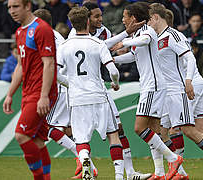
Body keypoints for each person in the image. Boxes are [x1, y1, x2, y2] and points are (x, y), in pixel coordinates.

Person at [68, 3, 151, 179]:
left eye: (101, 15)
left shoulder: (102, 31)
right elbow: (100, 46)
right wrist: (126, 34)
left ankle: (130, 173)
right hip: (89, 91)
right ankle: (103, 171)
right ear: (86, 18)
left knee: (117, 130)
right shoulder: (74, 35)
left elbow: (104, 45)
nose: (101, 19)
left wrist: (123, 39)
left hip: (94, 89)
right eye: (96, 16)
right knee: (103, 134)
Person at [147, 3, 203, 180]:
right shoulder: (156, 38)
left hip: (178, 91)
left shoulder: (173, 35)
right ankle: (172, 172)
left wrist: (188, 81)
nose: (147, 24)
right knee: (159, 131)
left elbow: (190, 58)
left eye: (148, 20)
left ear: (155, 18)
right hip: (164, 92)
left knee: (189, 130)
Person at [112, 2, 183, 179]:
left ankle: (173, 158)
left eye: (125, 16)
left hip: (153, 86)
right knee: (154, 131)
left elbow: (145, 40)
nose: (122, 19)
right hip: (150, 85)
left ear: (133, 18)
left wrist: (124, 42)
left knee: (139, 128)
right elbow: (135, 55)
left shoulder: (147, 30)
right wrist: (112, 60)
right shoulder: (138, 33)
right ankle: (162, 172)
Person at [58, 6, 124, 180]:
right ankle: (118, 176)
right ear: (87, 21)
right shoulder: (98, 43)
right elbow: (114, 71)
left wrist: (70, 84)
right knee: (113, 135)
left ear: (71, 24)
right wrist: (115, 84)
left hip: (77, 98)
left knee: (81, 140)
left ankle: (85, 161)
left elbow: (56, 74)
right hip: (98, 95)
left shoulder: (64, 46)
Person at [3, 0, 57, 179]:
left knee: (21, 135)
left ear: (27, 6)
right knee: (37, 141)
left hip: (41, 92)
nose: (11, 11)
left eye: (16, 6)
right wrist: (10, 94)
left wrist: (44, 96)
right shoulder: (19, 32)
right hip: (28, 91)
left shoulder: (42, 29)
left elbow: (49, 64)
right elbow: (20, 65)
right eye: (9, 7)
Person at [33, 8, 87, 179]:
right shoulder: (56, 36)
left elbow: (52, 65)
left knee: (49, 128)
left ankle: (82, 159)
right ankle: (86, 164)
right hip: (64, 85)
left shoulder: (47, 36)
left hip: (61, 86)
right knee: (69, 130)